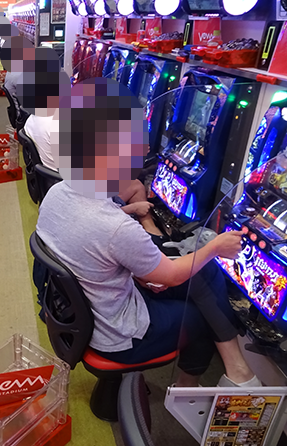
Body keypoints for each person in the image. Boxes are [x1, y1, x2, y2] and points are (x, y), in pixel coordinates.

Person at [36, 78, 259, 388]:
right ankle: (188, 388)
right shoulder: (115, 228)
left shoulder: (58, 192)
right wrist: (216, 247)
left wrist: (130, 217)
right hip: (118, 335)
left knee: (200, 276)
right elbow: (172, 275)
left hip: (81, 312)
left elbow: (90, 237)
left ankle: (235, 371)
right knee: (200, 312)